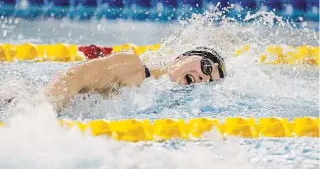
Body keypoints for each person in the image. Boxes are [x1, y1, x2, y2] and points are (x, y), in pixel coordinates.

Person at [45, 46, 226, 112]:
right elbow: (72, 78)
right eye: (206, 66)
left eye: (209, 81)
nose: (203, 77)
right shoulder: (131, 66)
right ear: (182, 58)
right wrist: (43, 113)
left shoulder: (158, 106)